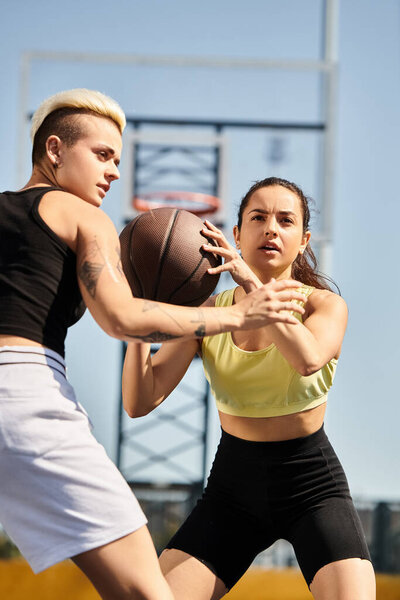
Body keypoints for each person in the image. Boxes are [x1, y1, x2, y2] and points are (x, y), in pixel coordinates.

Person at [0, 91, 306, 600]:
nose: (114, 172)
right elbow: (121, 318)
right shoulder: (82, 216)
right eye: (102, 155)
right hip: (24, 396)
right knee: (147, 592)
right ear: (54, 150)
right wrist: (237, 313)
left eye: (118, 160)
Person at [122, 177, 376, 600]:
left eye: (285, 220)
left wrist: (252, 286)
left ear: (303, 239)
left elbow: (307, 358)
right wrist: (134, 318)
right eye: (257, 218)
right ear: (237, 234)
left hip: (311, 484)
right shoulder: (209, 313)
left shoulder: (324, 306)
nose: (271, 228)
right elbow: (140, 400)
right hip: (232, 489)